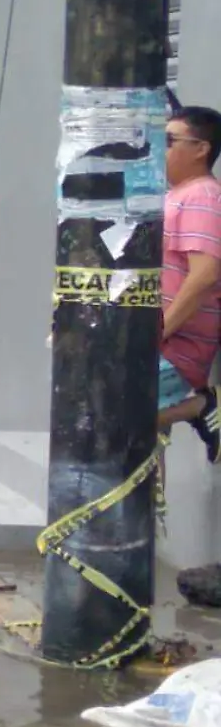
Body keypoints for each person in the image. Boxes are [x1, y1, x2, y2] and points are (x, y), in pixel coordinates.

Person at [157, 106, 221, 461]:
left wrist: (161, 330)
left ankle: (200, 405)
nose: (160, 150)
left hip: (176, 349)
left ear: (201, 148)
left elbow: (205, 274)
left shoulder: (202, 196)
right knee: (143, 445)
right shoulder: (178, 195)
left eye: (170, 141)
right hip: (160, 345)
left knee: (111, 419)